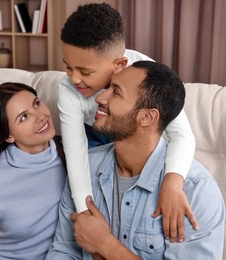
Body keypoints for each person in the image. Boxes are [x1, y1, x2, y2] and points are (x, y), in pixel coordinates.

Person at [46, 61, 225, 259]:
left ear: (147, 117)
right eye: (108, 87)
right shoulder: (84, 168)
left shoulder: (196, 192)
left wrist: (105, 244)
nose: (100, 97)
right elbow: (63, 251)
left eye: (116, 92)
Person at [58, 2, 197, 242]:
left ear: (119, 65)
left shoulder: (147, 76)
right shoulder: (67, 88)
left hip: (130, 132)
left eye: (84, 71)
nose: (74, 78)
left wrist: (172, 182)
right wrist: (86, 212)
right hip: (92, 135)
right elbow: (75, 153)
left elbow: (182, 134)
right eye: (68, 67)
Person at [0, 82, 67, 259]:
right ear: (8, 136)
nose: (40, 117)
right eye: (24, 117)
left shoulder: (69, 155)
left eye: (36, 104)